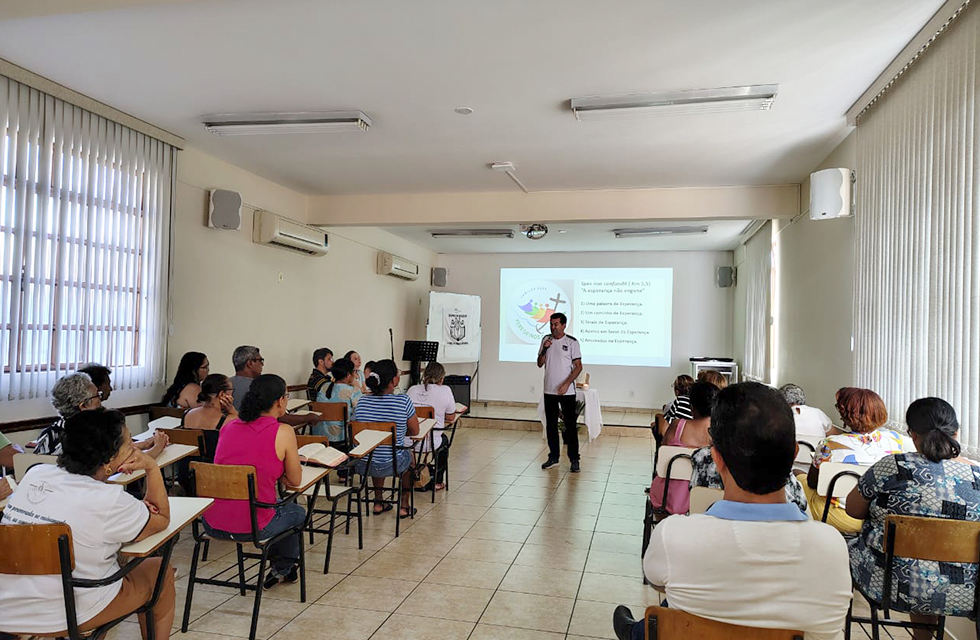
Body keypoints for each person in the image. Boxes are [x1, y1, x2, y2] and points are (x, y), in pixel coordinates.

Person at [613, 382, 852, 640]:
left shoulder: (675, 535)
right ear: (795, 453)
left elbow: (656, 579)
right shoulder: (832, 547)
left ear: (716, 458)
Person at [0, 409, 173, 640]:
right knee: (159, 569)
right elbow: (161, 518)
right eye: (128, 442)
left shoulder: (36, 474)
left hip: (8, 608)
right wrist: (151, 467)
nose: (133, 446)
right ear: (109, 460)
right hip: (66, 614)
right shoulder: (111, 500)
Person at [847, 398, 980, 639]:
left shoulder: (893, 467)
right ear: (957, 433)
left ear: (912, 435)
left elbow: (852, 510)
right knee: (931, 565)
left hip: (889, 584)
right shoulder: (977, 476)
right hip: (964, 591)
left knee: (852, 547)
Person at [203, 374, 306, 590]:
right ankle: (282, 569)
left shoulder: (229, 426)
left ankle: (282, 568)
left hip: (212, 521)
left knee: (278, 507)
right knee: (295, 512)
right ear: (280, 401)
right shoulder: (283, 431)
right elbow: (295, 481)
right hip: (254, 524)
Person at [801, 387, 913, 533]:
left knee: (800, 478)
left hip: (842, 516)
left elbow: (813, 482)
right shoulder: (895, 439)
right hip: (881, 518)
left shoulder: (830, 444)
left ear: (845, 415)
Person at [35, 374, 167, 459]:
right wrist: (157, 448)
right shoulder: (93, 435)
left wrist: (144, 444)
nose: (101, 399)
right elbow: (125, 463)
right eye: (97, 395)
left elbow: (115, 452)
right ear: (84, 405)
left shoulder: (47, 435)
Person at [352, 359, 419, 517]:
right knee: (409, 456)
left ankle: (378, 501)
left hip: (364, 463)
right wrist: (399, 433)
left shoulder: (362, 401)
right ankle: (404, 505)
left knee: (376, 450)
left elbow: (357, 430)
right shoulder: (403, 401)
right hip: (393, 463)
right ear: (393, 380)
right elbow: (415, 430)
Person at [650, 382, 718, 515]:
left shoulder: (677, 426)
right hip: (709, 502)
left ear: (691, 406)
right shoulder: (719, 432)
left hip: (669, 498)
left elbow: (662, 453)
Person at [228, 345, 318, 431]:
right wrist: (309, 417)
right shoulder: (259, 387)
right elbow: (281, 418)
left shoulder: (227, 384)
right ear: (250, 363)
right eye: (260, 360)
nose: (262, 364)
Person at [538, 312, 583, 472]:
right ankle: (553, 457)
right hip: (549, 390)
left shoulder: (572, 342)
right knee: (551, 425)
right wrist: (544, 349)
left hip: (567, 392)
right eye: (551, 324)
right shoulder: (546, 340)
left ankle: (574, 459)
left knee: (570, 426)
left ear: (564, 325)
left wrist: (566, 383)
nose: (553, 327)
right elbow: (539, 363)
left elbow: (578, 367)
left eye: (556, 324)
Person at [406, 361, 458, 491]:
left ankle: (414, 474)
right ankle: (438, 481)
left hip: (409, 441)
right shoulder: (445, 390)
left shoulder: (412, 389)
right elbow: (451, 417)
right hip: (430, 441)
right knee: (444, 441)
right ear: (442, 378)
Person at [314, 357, 361, 445]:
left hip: (320, 435)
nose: (355, 375)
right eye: (354, 372)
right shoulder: (353, 391)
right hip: (342, 436)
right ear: (348, 375)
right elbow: (360, 413)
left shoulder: (323, 387)